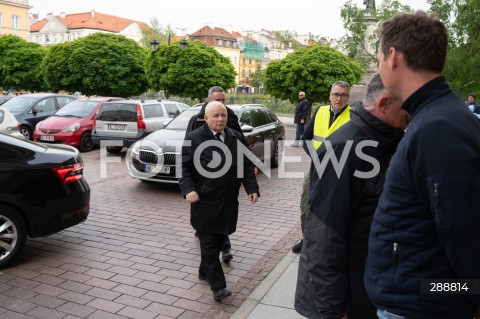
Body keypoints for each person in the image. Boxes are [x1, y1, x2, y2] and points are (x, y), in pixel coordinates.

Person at [365, 12, 480, 319]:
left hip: (419, 306)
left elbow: (462, 232)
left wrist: (465, 294)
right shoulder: (436, 117)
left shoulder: (438, 127)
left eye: (378, 57)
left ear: (392, 56)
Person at [295, 73, 407, 319]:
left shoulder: (391, 141)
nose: (413, 111)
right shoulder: (344, 148)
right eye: (409, 104)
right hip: (348, 300)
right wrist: (332, 309)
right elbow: (323, 238)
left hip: (372, 289)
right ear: (384, 104)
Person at [180, 101, 259, 301]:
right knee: (208, 242)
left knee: (216, 239)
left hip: (228, 201)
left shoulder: (235, 136)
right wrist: (188, 189)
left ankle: (203, 270)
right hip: (204, 201)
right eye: (215, 116)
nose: (220, 119)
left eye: (223, 115)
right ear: (206, 118)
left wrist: (252, 188)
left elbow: (246, 165)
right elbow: (184, 168)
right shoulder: (194, 138)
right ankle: (218, 287)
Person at [186, 86, 245, 263]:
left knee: (221, 223)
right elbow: (187, 156)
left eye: (223, 100)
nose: (221, 104)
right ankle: (213, 273)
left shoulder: (230, 117)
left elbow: (240, 140)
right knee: (209, 234)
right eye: (217, 100)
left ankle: (223, 249)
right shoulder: (196, 121)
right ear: (209, 100)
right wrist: (190, 187)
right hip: (205, 186)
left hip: (225, 186)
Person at [291, 81, 351, 253]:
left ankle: (330, 243)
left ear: (348, 97)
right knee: (305, 205)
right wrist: (316, 157)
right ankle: (307, 239)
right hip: (316, 167)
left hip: (340, 171)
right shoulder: (320, 111)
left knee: (333, 209)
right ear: (330, 96)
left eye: (343, 95)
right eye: (335, 94)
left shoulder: (353, 116)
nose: (339, 98)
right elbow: (306, 138)